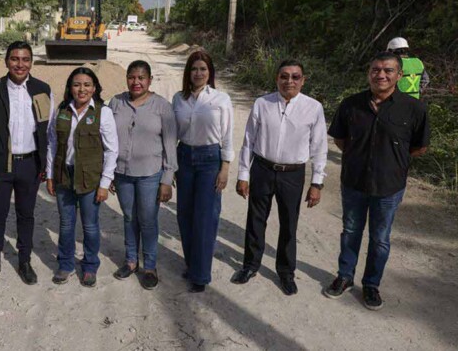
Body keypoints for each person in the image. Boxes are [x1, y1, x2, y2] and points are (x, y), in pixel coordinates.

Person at [324, 51, 429, 310]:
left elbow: (418, 147)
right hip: (354, 182)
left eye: (388, 70)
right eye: (375, 69)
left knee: (380, 238)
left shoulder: (414, 108)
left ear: (399, 75)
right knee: (350, 231)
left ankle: (371, 284)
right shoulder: (351, 104)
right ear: (369, 72)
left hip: (389, 186)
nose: (381, 74)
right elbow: (340, 139)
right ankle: (344, 276)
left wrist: (392, 162)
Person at [232, 60, 327, 295]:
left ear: (303, 80)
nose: (289, 81)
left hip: (292, 174)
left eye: (295, 77)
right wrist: (243, 174)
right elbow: (248, 142)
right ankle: (250, 265)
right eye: (284, 76)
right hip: (262, 169)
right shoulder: (262, 104)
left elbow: (319, 148)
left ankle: (286, 272)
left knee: (289, 224)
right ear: (277, 79)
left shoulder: (313, 108)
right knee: (255, 220)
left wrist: (317, 183)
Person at [0, 41, 53, 287]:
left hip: (30, 164)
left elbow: (47, 130)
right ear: (7, 61)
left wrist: (46, 165)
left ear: (31, 62)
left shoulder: (43, 89)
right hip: (1, 165)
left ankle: (24, 261)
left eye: (25, 59)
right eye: (15, 59)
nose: (20, 64)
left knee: (26, 215)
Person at [46, 67, 118, 288]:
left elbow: (112, 150)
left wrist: (105, 183)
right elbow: (52, 144)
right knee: (66, 225)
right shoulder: (61, 110)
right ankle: (66, 264)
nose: (82, 89)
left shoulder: (102, 113)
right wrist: (50, 175)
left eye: (87, 84)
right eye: (77, 84)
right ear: (70, 88)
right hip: (64, 177)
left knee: (90, 226)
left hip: (90, 179)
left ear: (94, 88)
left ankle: (89, 266)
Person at [108, 60, 177, 290]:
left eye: (141, 78)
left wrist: (167, 179)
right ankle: (130, 261)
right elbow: (106, 139)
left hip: (150, 174)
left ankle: (149, 265)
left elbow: (170, 145)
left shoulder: (162, 107)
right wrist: (108, 173)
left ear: (149, 80)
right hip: (122, 173)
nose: (136, 82)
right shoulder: (116, 103)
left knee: (147, 220)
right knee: (129, 217)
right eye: (131, 77)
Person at [172, 51, 234, 293]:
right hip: (184, 157)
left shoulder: (220, 99)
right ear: (188, 72)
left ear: (210, 73)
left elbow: (227, 135)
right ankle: (192, 263)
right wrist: (172, 166)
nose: (198, 73)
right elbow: (172, 134)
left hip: (210, 160)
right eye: (194, 69)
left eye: (203, 69)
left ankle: (200, 274)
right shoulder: (178, 99)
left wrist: (225, 168)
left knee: (205, 218)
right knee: (185, 215)